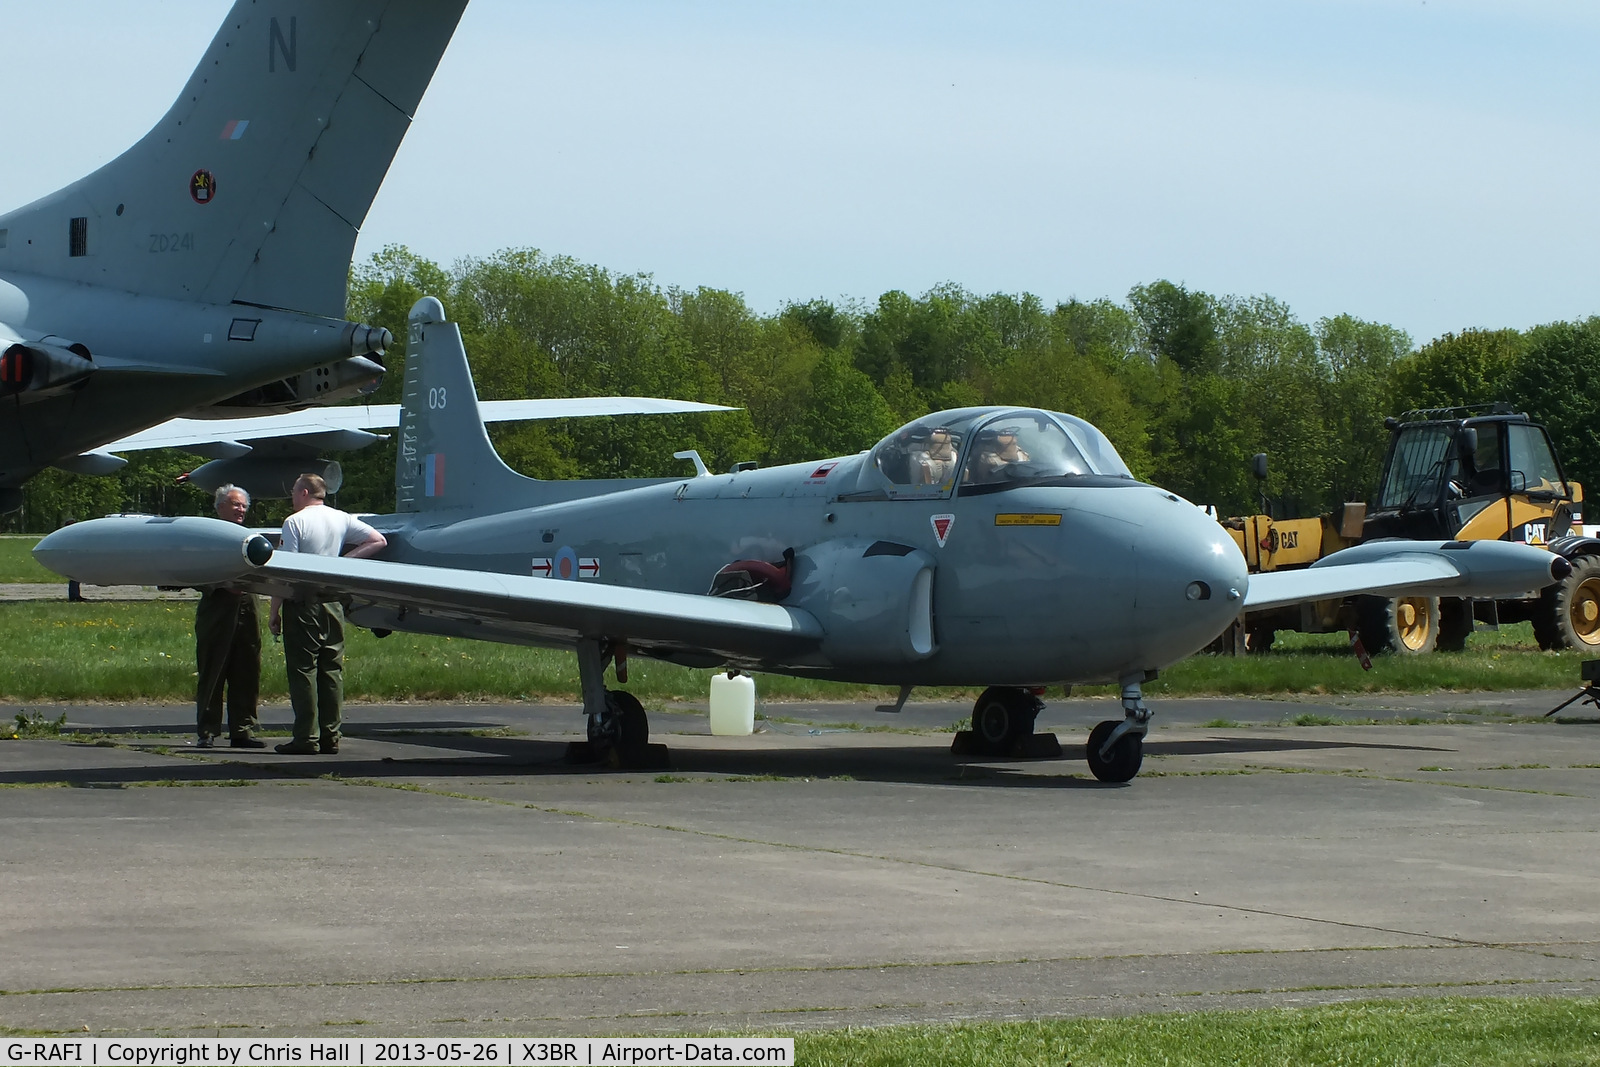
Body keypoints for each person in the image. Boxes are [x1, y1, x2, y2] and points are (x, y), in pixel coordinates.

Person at [269, 474, 387, 755]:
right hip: (332, 601)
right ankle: (331, 736)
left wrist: (274, 611)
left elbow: (286, 571)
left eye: (295, 492)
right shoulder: (341, 518)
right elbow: (377, 540)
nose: (292, 497)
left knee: (303, 670)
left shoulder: (294, 522)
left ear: (305, 492)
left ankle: (305, 737)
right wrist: (341, 566)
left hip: (303, 601)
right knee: (331, 668)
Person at [194, 485, 264, 748]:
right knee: (213, 669)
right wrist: (220, 584)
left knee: (248, 670)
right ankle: (208, 730)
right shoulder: (208, 537)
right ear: (220, 506)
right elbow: (194, 573)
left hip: (249, 609)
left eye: (244, 505)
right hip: (217, 611)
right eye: (236, 505)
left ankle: (243, 729)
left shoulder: (251, 536)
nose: (241, 510)